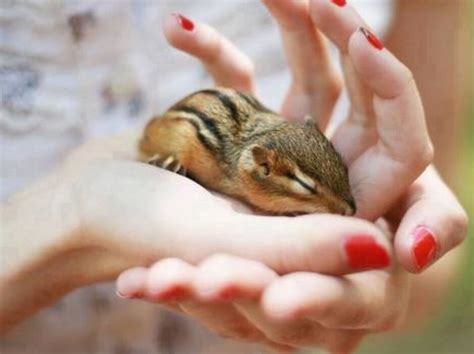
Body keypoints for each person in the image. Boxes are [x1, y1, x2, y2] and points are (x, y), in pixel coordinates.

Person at [0, 0, 468, 353]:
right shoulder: (244, 165)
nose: (343, 207)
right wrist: (64, 222)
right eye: (305, 188)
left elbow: (427, 284)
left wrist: (396, 235)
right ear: (261, 167)